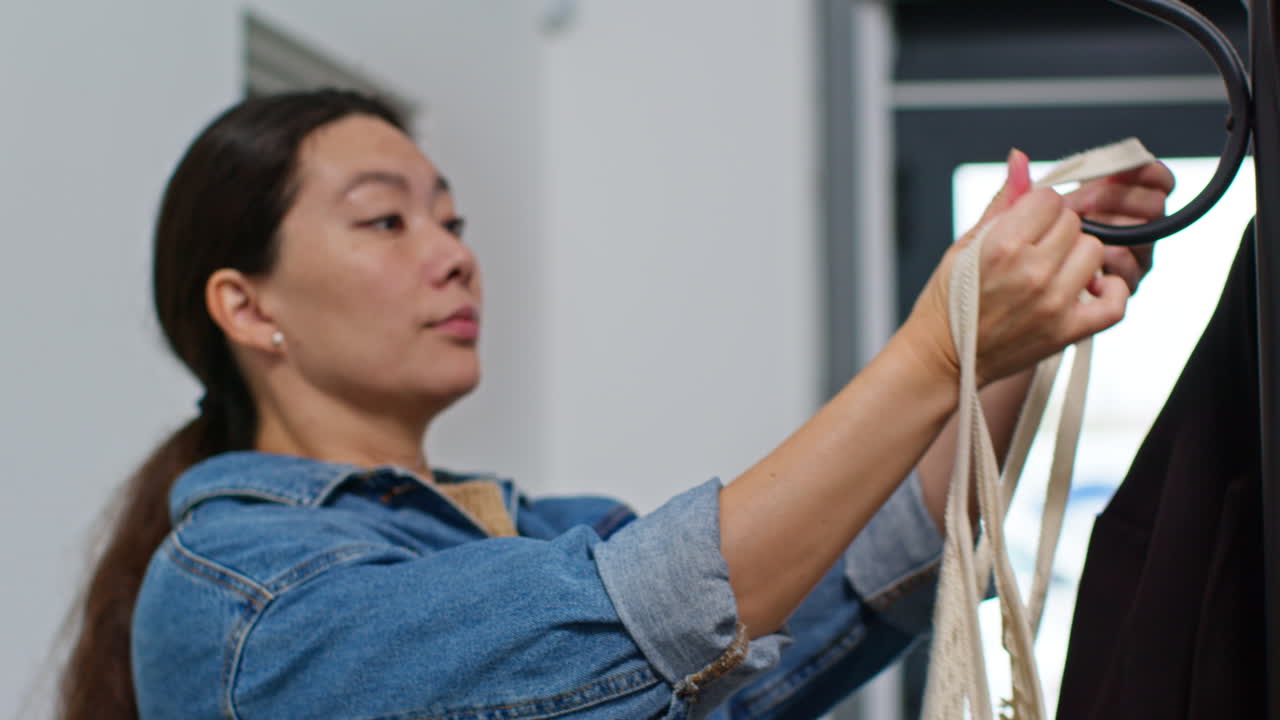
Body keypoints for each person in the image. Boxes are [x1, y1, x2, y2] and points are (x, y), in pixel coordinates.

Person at [58, 89, 1172, 719]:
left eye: (452, 220)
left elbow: (853, 570)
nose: (452, 256)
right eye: (387, 221)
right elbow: (654, 615)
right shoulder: (241, 593)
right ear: (246, 309)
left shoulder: (544, 528)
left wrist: (1000, 339)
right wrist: (934, 347)